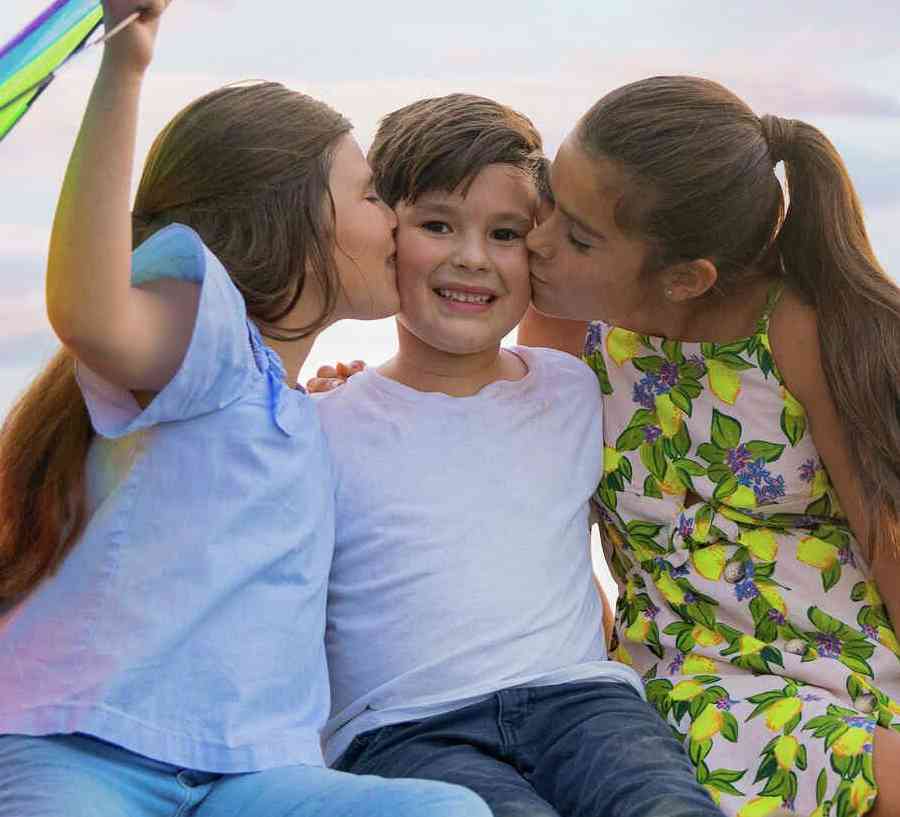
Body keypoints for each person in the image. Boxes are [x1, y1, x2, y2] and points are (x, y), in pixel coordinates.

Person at [0, 4, 491, 817]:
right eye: (372, 195)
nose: (396, 221)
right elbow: (89, 310)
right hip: (84, 752)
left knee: (450, 812)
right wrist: (124, 69)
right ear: (291, 216)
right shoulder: (211, 335)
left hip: (248, 776)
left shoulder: (295, 412)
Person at [314, 92, 726, 817]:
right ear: (386, 232)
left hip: (584, 705)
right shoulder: (325, 424)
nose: (472, 258)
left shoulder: (573, 389)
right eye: (438, 224)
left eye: (506, 233)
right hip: (407, 726)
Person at [518, 75, 900, 817]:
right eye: (548, 205)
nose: (538, 242)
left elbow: (886, 536)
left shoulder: (792, 330)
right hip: (678, 675)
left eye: (578, 237)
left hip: (831, 661)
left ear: (686, 278)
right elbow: (542, 532)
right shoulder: (565, 338)